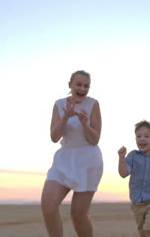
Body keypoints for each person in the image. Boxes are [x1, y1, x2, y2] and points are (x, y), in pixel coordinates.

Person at [41, 70, 103, 237]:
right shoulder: (59, 104)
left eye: (86, 86)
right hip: (64, 159)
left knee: (78, 215)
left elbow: (95, 139)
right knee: (48, 205)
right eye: (78, 84)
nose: (82, 89)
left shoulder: (93, 104)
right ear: (70, 85)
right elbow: (54, 137)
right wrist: (66, 117)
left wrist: (84, 123)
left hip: (88, 161)